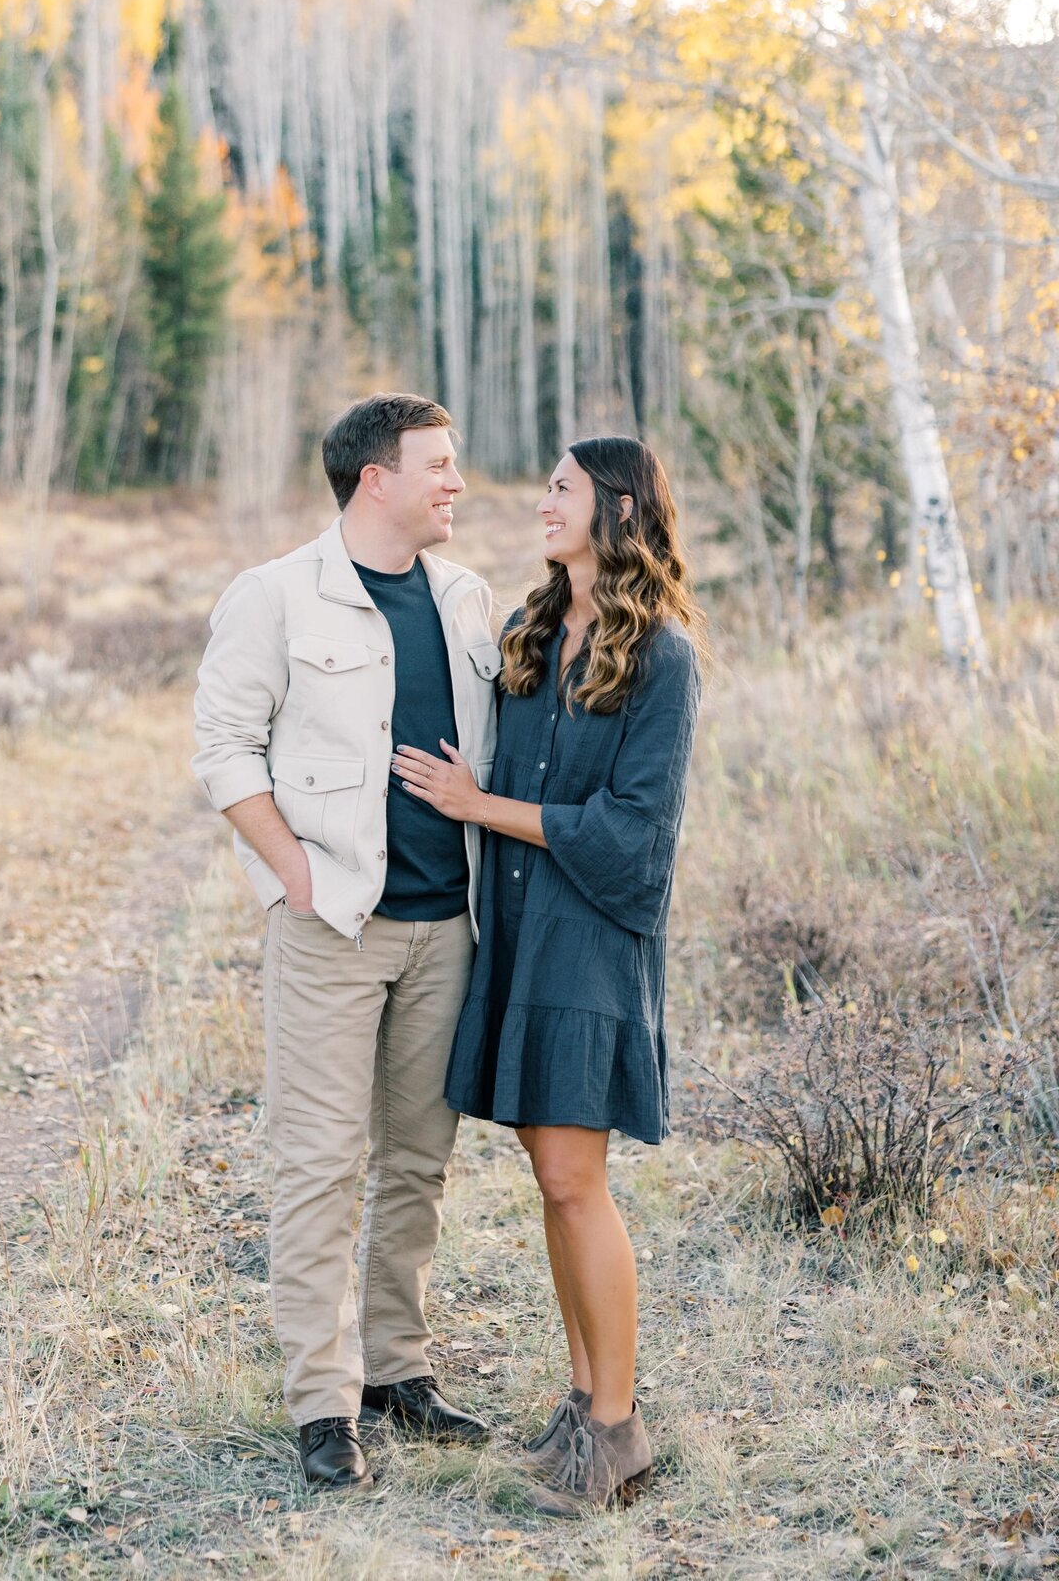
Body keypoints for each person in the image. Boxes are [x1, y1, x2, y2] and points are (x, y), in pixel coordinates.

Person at [390, 436, 705, 1516]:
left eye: (561, 488)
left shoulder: (660, 656)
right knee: (550, 1181)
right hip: (519, 931)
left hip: (592, 944)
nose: (540, 502)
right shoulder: (532, 630)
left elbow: (636, 836)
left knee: (578, 1182)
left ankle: (618, 1431)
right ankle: (580, 1402)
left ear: (617, 507)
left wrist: (482, 809)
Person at [192, 394, 501, 1490]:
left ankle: (398, 1374)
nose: (456, 484)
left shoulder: (469, 600)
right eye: (440, 466)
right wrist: (296, 874)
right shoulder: (276, 596)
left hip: (444, 931)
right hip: (332, 931)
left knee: (419, 1163)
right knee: (320, 1167)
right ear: (377, 478)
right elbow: (223, 749)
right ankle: (325, 1404)